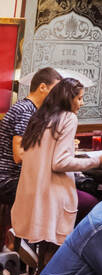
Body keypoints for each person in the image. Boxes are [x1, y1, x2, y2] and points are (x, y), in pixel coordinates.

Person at [11, 77, 102, 262]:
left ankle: (34, 254)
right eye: (80, 98)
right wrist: (97, 161)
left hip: (30, 197)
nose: (81, 103)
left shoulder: (39, 117)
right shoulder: (68, 118)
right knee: (94, 204)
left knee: (47, 253)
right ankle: (82, 258)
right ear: (69, 98)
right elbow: (60, 163)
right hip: (52, 198)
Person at [0, 66, 61, 206]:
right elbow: (19, 155)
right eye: (55, 91)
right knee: (56, 197)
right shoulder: (26, 112)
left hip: (17, 178)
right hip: (9, 180)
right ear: (42, 87)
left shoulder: (29, 109)